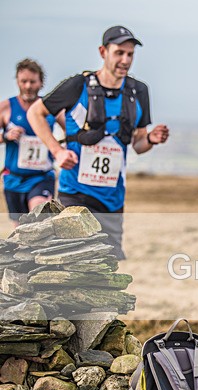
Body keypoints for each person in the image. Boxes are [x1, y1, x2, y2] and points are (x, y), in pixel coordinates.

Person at [28, 25, 169, 258]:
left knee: (107, 269)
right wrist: (57, 151)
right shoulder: (78, 86)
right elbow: (36, 113)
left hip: (113, 199)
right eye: (119, 53)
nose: (125, 60)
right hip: (75, 192)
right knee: (73, 262)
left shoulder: (138, 91)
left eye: (130, 54)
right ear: (103, 52)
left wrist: (151, 139)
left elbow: (138, 144)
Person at [1, 59, 64, 226]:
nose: (28, 86)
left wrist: (60, 149)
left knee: (38, 222)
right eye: (23, 81)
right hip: (13, 180)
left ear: (41, 83)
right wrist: (7, 136)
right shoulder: (6, 107)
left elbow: (72, 132)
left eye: (32, 81)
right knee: (20, 232)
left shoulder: (49, 107)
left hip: (41, 177)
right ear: (17, 81)